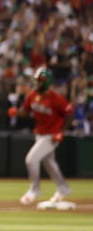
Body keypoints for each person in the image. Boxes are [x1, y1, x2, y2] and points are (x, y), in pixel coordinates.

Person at [9, 67, 73, 206]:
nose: (36, 83)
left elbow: (69, 112)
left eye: (39, 81)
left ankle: (34, 190)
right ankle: (63, 188)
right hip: (40, 133)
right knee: (49, 162)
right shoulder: (33, 95)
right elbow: (25, 111)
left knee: (31, 159)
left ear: (46, 82)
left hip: (51, 135)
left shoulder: (55, 98)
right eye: (36, 81)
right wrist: (16, 112)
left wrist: (61, 131)